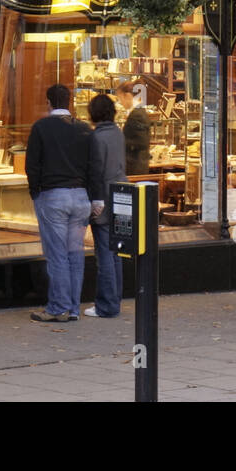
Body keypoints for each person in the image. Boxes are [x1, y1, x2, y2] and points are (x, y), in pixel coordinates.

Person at [25, 84, 99, 322]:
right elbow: (93, 166)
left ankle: (58, 307)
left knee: (57, 255)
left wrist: (35, 192)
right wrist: (95, 197)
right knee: (75, 254)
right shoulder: (84, 129)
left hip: (53, 196)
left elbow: (32, 165)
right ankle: (73, 308)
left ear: (48, 102)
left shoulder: (41, 127)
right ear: (69, 102)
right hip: (81, 198)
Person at [85, 93, 125, 318]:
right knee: (116, 252)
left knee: (105, 254)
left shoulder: (96, 138)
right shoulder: (117, 134)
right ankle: (114, 298)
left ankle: (107, 304)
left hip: (104, 198)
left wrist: (96, 200)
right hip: (121, 196)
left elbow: (96, 171)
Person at [116, 81, 152, 179]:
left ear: (127, 95)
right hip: (137, 166)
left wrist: (120, 141)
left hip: (135, 167)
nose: (121, 103)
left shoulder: (137, 114)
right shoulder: (138, 112)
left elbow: (142, 141)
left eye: (120, 98)